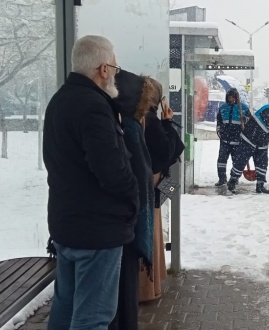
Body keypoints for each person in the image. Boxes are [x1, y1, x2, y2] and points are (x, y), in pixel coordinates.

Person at [43, 35, 138, 330]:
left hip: (67, 224)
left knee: (67, 306)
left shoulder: (60, 100)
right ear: (103, 69)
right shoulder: (94, 106)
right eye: (115, 67)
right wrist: (133, 195)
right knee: (93, 317)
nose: (115, 74)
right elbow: (111, 169)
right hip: (96, 229)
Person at [109, 69, 159, 330]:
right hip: (125, 225)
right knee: (121, 294)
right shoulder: (127, 128)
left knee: (119, 294)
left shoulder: (123, 124)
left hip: (122, 224)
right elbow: (136, 178)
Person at [139, 78, 185, 303]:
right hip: (152, 185)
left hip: (144, 185)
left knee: (150, 231)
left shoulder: (136, 118)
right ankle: (148, 287)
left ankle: (148, 285)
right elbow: (172, 149)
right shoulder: (150, 121)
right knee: (152, 232)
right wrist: (168, 123)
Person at [227, 102, 269, 194]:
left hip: (262, 144)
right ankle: (232, 181)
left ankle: (260, 185)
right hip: (249, 140)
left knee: (262, 164)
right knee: (241, 161)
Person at [215, 88, 249, 186]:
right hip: (225, 139)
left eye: (233, 97)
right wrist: (219, 130)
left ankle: (234, 178)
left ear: (237, 98)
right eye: (229, 97)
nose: (231, 99)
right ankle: (222, 179)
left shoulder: (244, 108)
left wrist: (245, 119)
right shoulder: (223, 107)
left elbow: (250, 122)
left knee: (236, 161)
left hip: (238, 140)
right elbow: (219, 121)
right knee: (221, 160)